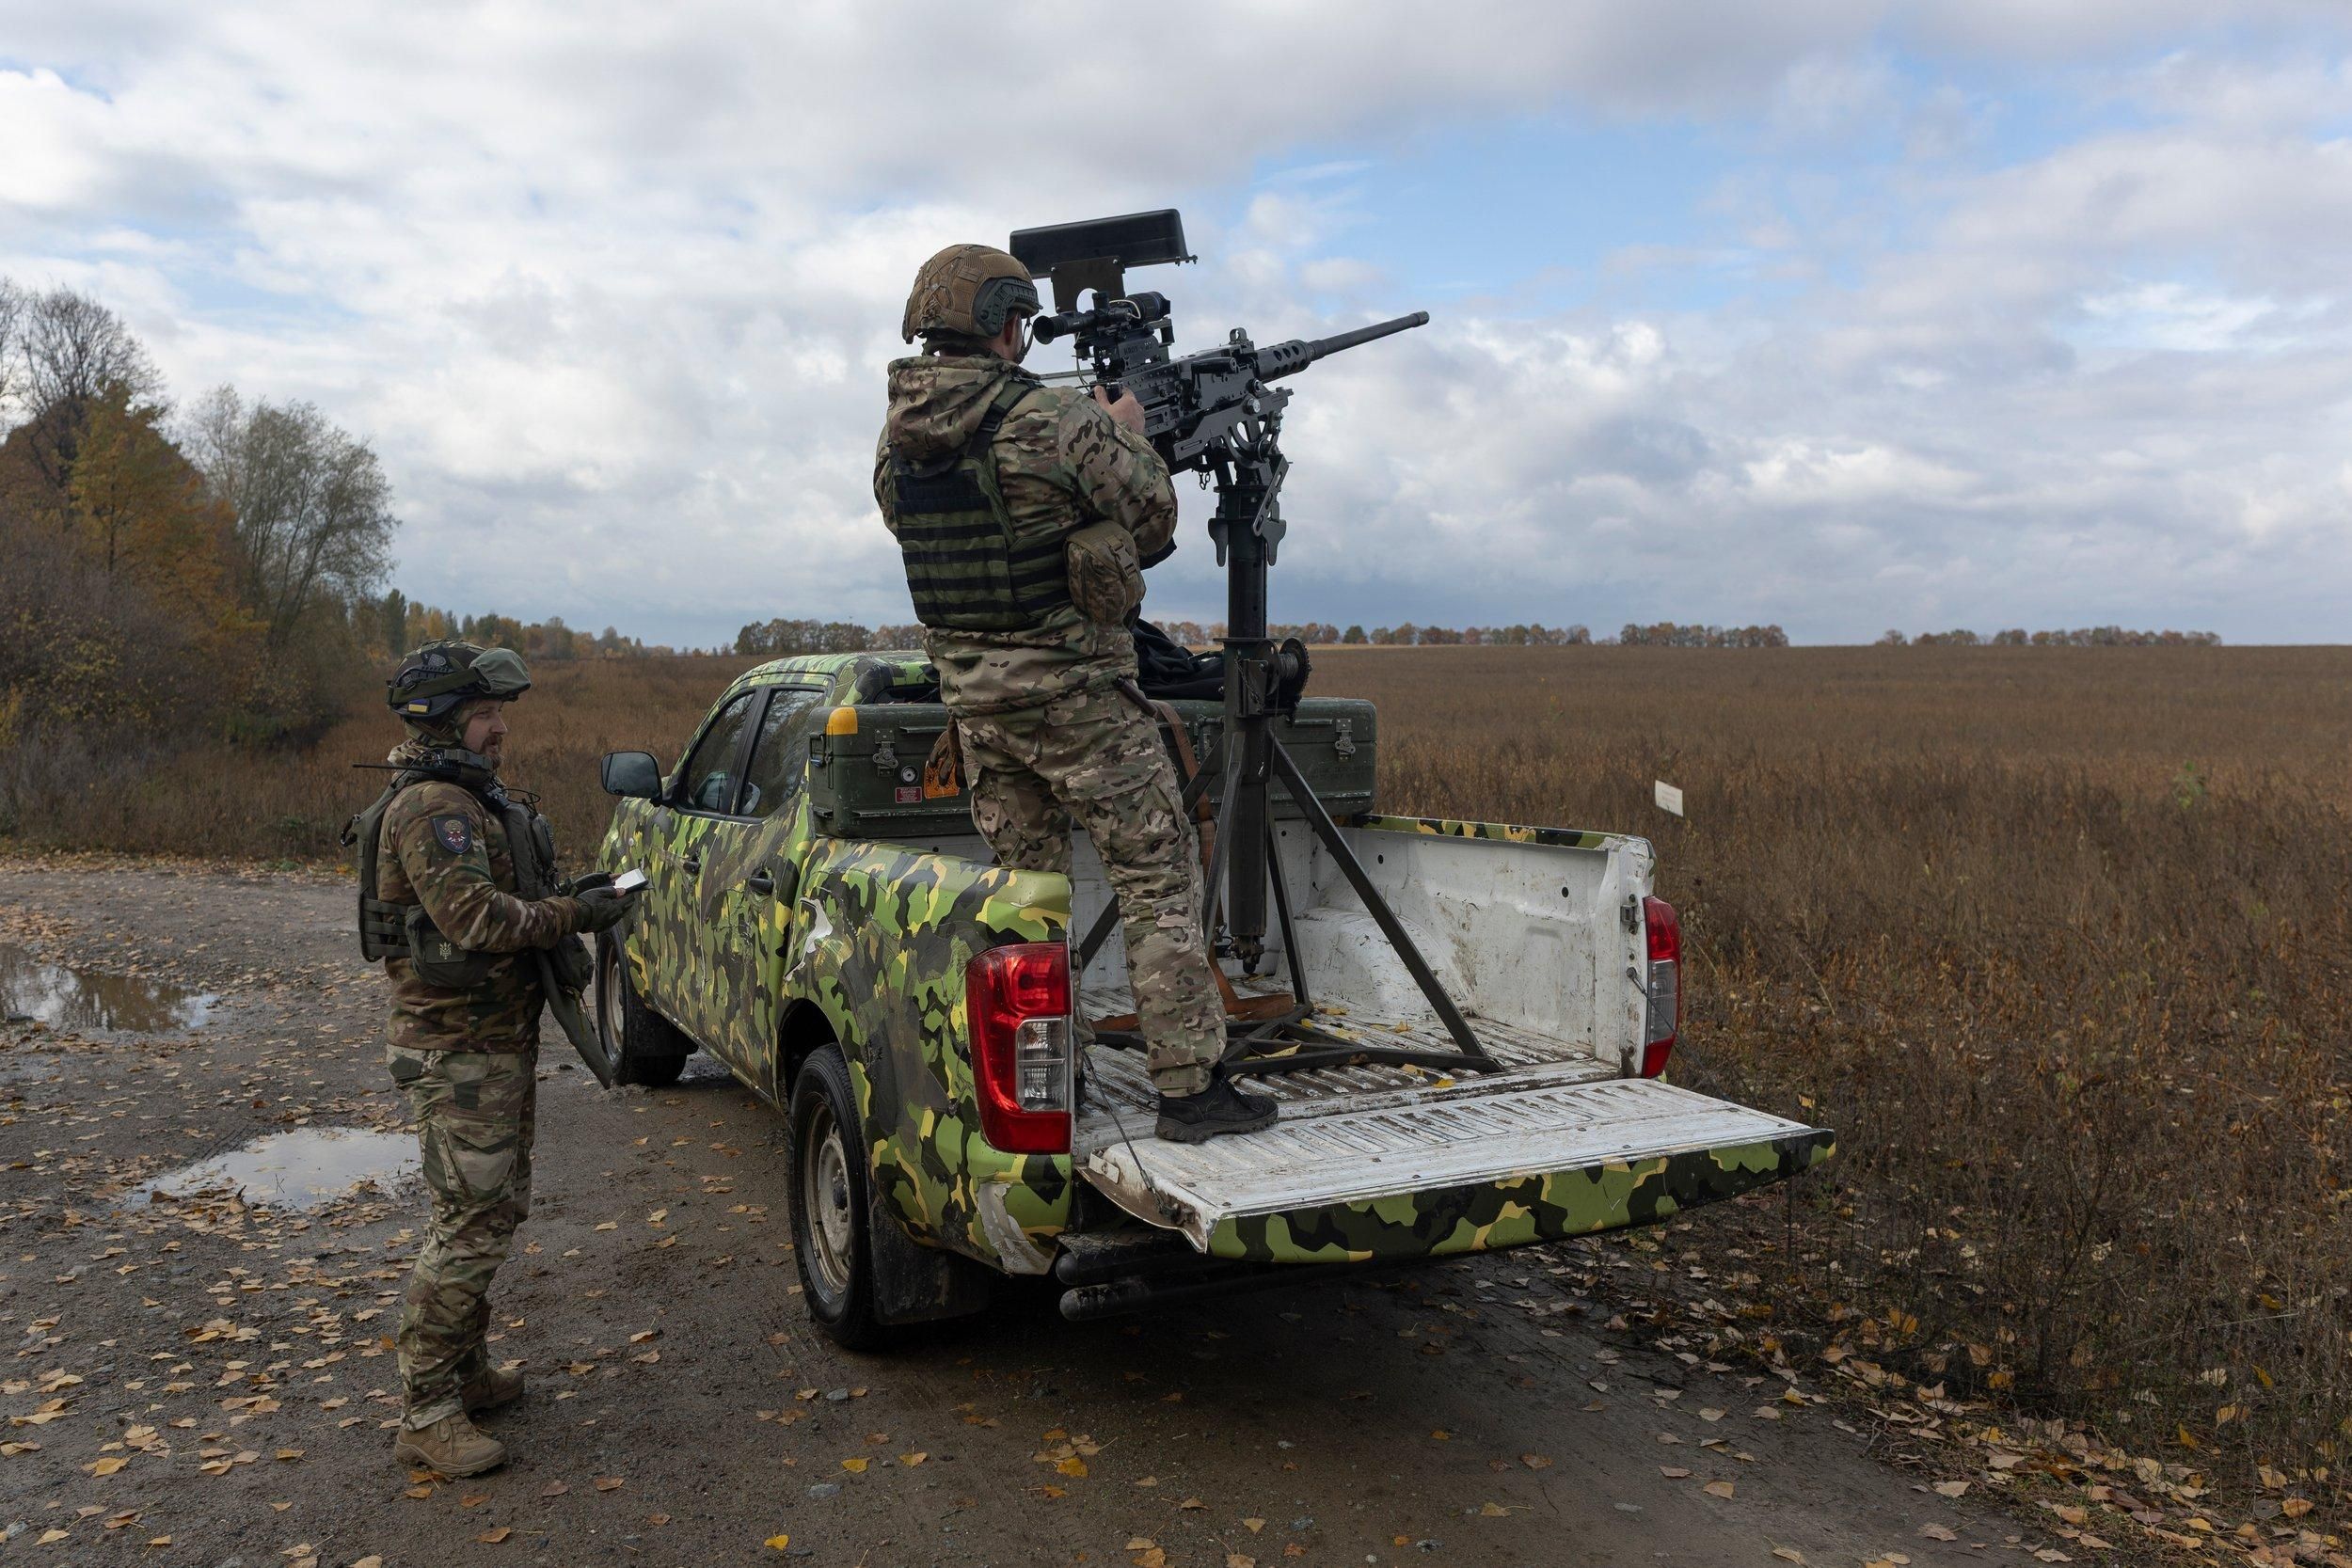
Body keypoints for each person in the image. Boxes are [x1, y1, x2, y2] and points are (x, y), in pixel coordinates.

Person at [875, 243, 1277, 1144]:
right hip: (1081, 705)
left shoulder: (896, 444)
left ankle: (1050, 1082)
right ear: (1006, 325)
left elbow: (930, 523)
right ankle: (1191, 1088)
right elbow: (1155, 519)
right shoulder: (1055, 421)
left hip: (979, 712)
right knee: (1156, 874)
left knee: (1026, 897)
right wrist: (1121, 429)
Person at [351, 641, 636, 1475]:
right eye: (485, 716)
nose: (499, 729)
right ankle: (426, 1409)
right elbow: (476, 919)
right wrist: (575, 915)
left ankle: (465, 1372)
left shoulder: (466, 796)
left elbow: (503, 900)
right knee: (468, 1225)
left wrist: (572, 895)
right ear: (443, 722)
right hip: (456, 1050)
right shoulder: (432, 808)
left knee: (495, 1210)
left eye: (498, 714)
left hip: (490, 1044)